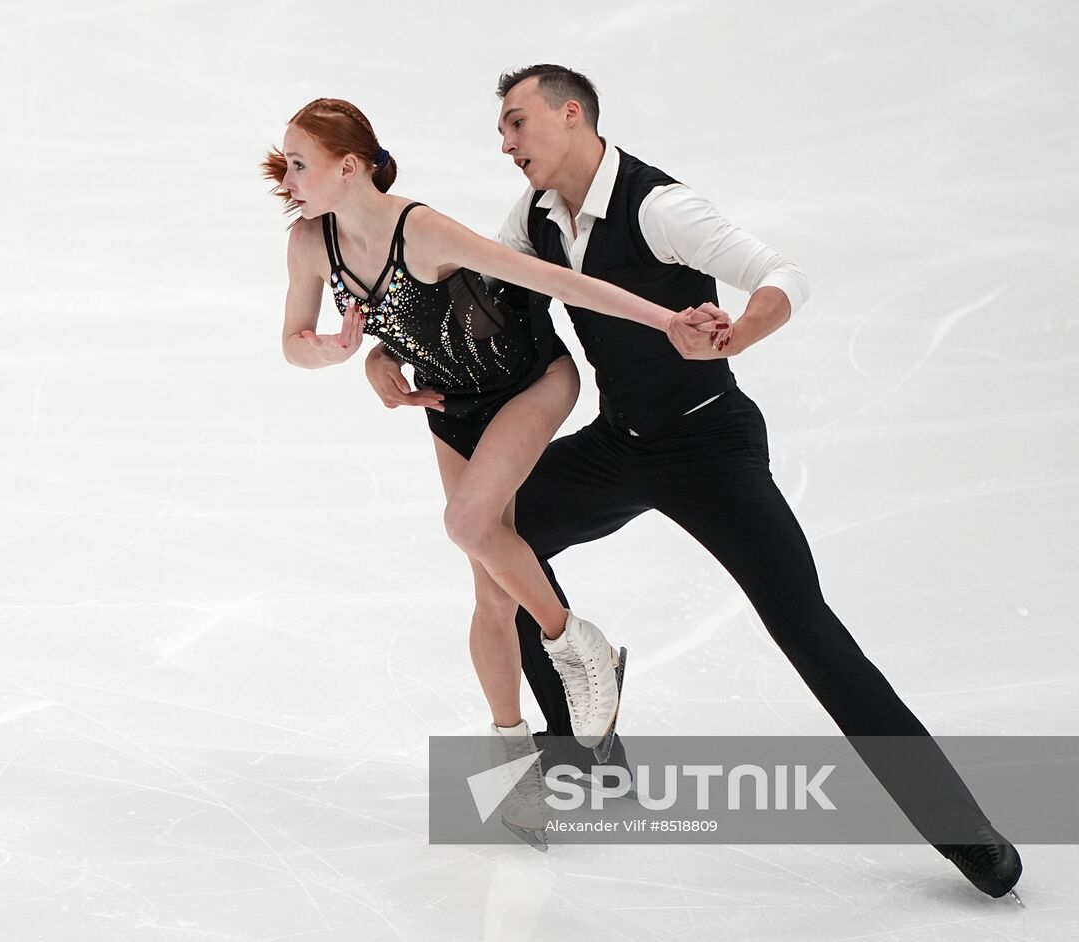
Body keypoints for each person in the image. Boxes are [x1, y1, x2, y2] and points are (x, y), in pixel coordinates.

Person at [363, 65, 1023, 900]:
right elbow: (457, 296)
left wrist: (740, 333)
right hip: (621, 442)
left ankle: (963, 828)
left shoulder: (656, 207)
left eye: (518, 123)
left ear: (572, 116)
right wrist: (385, 355)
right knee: (496, 541)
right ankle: (585, 751)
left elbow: (784, 273)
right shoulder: (532, 219)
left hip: (711, 447)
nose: (505, 143)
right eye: (502, 129)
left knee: (807, 629)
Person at [262, 97, 726, 848]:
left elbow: (550, 279)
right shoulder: (310, 244)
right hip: (449, 405)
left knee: (467, 524)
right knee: (486, 592)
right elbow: (291, 340)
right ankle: (515, 765)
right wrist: (340, 352)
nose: (287, 176)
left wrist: (665, 320)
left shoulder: (425, 229)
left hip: (529, 382)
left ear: (349, 166)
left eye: (300, 162)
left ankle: (580, 645)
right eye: (285, 161)